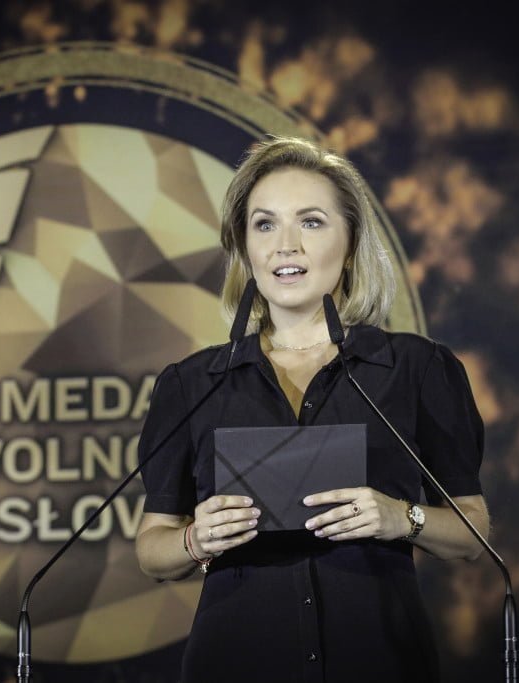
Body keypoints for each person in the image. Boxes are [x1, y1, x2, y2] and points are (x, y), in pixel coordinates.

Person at [134, 136, 490, 683]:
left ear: (350, 244)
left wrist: (402, 517)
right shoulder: (193, 384)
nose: (286, 245)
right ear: (245, 248)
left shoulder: (416, 369)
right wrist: (193, 539)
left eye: (311, 222)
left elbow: (473, 532)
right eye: (265, 224)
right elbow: (152, 548)